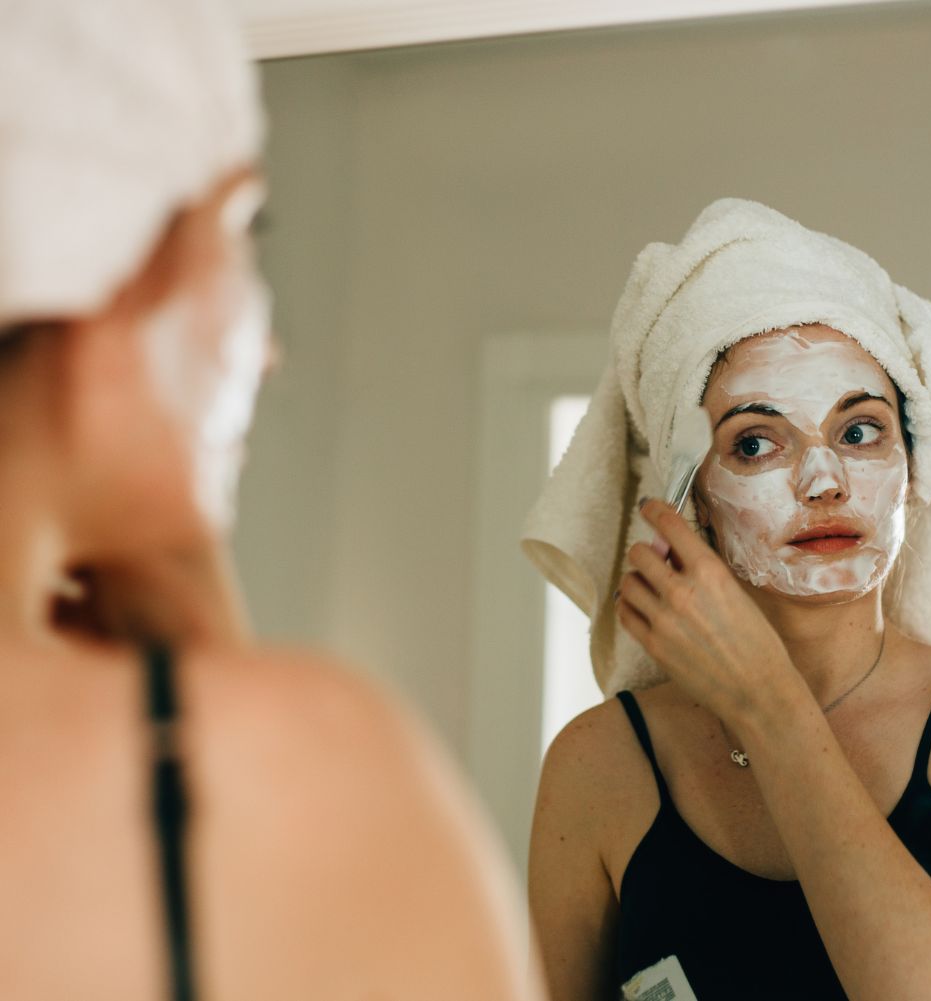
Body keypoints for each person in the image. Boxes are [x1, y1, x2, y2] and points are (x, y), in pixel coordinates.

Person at [0, 2, 541, 999]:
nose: (272, 351)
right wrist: (213, 683)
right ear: (110, 261)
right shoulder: (311, 771)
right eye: (246, 232)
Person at [524, 198, 931, 1000]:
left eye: (860, 430)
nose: (824, 481)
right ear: (695, 499)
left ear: (912, 462)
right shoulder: (597, 764)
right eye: (755, 441)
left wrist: (769, 706)